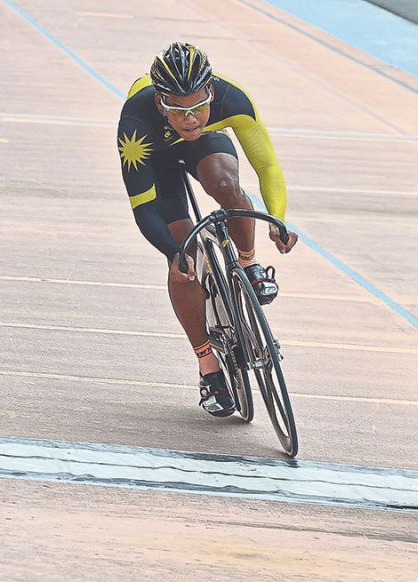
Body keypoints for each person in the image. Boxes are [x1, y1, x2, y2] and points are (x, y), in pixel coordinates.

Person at [117, 42, 298, 417]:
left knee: (228, 186)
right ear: (159, 102)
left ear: (211, 92)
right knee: (183, 265)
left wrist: (278, 219)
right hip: (158, 157)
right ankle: (208, 366)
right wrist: (173, 253)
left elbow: (267, 167)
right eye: (178, 110)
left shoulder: (232, 99)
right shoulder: (135, 121)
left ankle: (248, 263)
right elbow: (143, 206)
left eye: (198, 106)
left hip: (207, 147)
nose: (190, 119)